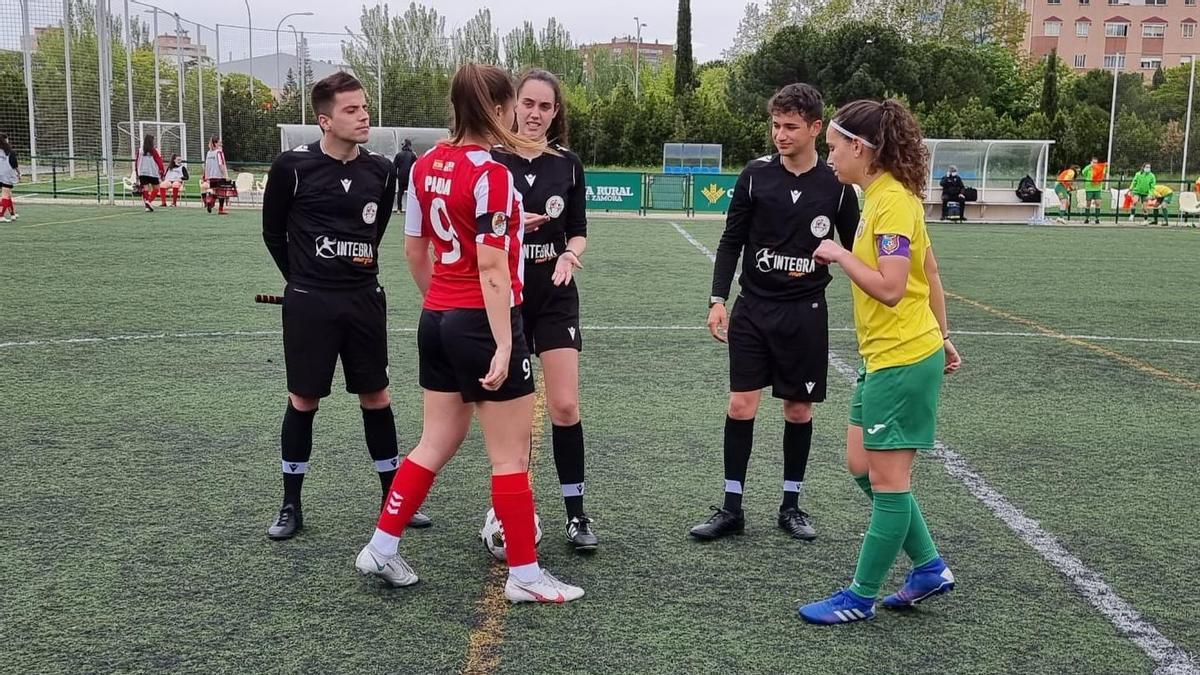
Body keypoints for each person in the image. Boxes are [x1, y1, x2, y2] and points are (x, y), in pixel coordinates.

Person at [354, 62, 583, 604]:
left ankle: (382, 546)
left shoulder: (425, 164)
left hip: (436, 318)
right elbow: (492, 269)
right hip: (480, 321)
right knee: (510, 452)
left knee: (436, 441)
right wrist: (504, 340)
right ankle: (525, 574)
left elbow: (416, 249)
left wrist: (444, 303)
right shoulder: (493, 173)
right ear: (499, 108)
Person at [798, 98, 962, 625]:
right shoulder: (881, 197)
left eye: (834, 149)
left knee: (890, 485)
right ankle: (930, 568)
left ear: (860, 148)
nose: (830, 160)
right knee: (861, 467)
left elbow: (893, 288)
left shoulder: (892, 203)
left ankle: (860, 597)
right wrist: (943, 334)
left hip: (901, 359)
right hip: (888, 357)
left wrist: (839, 253)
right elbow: (929, 272)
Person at [261, 71, 430, 541]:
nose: (363, 117)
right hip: (310, 303)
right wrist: (302, 281)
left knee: (376, 395)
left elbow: (372, 236)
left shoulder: (381, 169)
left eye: (364, 107)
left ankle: (394, 500)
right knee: (304, 399)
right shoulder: (291, 168)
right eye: (351, 110)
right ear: (324, 120)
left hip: (363, 300)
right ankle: (290, 505)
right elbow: (273, 233)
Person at [689, 83, 860, 543]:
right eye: (775, 125)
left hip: (805, 313)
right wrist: (717, 299)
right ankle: (730, 507)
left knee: (798, 410)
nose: (779, 135)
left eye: (790, 127)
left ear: (815, 128)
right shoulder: (754, 175)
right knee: (741, 404)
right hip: (753, 308)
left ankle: (791, 505)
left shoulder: (837, 186)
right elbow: (730, 241)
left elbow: (858, 249)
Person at [492, 69, 596, 551]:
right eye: (527, 104)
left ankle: (576, 515)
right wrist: (513, 226)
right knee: (511, 416)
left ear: (556, 113)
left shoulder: (568, 164)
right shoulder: (491, 160)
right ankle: (511, 509)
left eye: (545, 107)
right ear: (513, 104)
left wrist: (571, 254)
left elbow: (577, 229)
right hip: (504, 300)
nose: (534, 114)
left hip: (555, 296)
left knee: (565, 405)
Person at [203, 137, 234, 215]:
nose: (221, 144)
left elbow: (207, 165)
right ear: (216, 143)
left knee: (216, 191)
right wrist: (226, 175)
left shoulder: (209, 153)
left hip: (211, 176)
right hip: (219, 175)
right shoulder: (219, 152)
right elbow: (221, 165)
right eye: (220, 142)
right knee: (222, 193)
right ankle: (220, 209)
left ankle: (210, 202)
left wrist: (206, 176)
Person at [136, 134, 165, 213]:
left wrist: (137, 171)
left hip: (142, 172)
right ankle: (149, 201)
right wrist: (162, 170)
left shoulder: (140, 150)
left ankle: (147, 207)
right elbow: (159, 161)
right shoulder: (154, 150)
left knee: (145, 188)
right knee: (156, 188)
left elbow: (137, 161)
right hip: (152, 172)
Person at [392, 139, 417, 213]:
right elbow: (416, 166)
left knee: (400, 192)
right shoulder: (413, 155)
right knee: (411, 193)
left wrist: (396, 175)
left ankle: (399, 209)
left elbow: (394, 166)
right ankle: (411, 209)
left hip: (401, 176)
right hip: (410, 177)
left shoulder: (399, 155)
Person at [1079, 157, 1106, 224]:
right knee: (1088, 203)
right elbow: (1083, 172)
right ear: (1091, 162)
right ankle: (1087, 218)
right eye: (1093, 162)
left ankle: (1097, 218)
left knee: (1098, 203)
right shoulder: (1088, 168)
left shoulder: (1099, 168)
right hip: (1089, 188)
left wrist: (1105, 166)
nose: (1095, 164)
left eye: (1096, 162)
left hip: (1097, 188)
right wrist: (1089, 166)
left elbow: (1104, 173)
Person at [0, 134, 20, 222]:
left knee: (8, 194)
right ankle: (1, 216)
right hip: (7, 174)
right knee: (5, 195)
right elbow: (14, 164)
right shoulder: (9, 151)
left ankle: (13, 214)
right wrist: (19, 173)